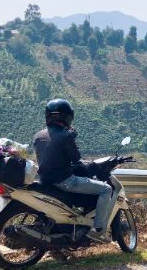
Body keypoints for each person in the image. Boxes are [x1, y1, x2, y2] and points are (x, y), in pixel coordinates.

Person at [33, 98, 112, 243]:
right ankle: (98, 229)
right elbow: (76, 159)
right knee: (106, 189)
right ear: (68, 116)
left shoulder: (38, 135)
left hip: (44, 180)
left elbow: (52, 154)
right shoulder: (67, 135)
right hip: (64, 181)